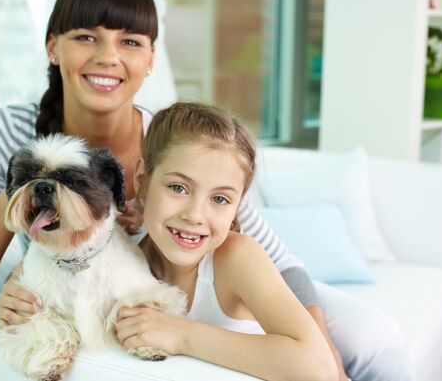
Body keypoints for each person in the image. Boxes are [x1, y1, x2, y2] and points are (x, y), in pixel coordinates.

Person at [0, 0, 414, 381]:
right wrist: (31, 186)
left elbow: (270, 254)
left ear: (150, 59)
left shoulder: (170, 138)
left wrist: (325, 355)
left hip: (219, 281)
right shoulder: (11, 131)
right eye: (85, 37)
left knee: (371, 337)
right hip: (128, 288)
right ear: (53, 47)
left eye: (129, 41)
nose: (107, 57)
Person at [116, 101, 337, 380]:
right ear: (142, 180)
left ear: (238, 206)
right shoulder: (125, 263)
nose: (195, 215)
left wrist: (181, 334)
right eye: (178, 187)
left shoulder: (235, 258)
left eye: (220, 199)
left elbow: (319, 369)